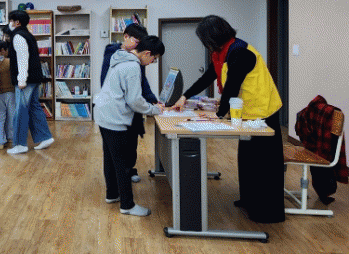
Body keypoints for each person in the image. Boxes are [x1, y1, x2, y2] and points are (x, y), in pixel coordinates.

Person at [171, 15, 285, 223]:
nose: (204, 44)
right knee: (248, 159)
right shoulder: (221, 53)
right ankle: (249, 200)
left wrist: (218, 115)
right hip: (246, 112)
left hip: (263, 110)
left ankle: (266, 212)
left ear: (213, 36)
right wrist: (184, 96)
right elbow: (207, 78)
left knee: (263, 163)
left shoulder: (240, 52)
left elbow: (232, 86)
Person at [94, 36, 165, 217]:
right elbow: (134, 101)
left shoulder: (120, 57)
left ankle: (112, 194)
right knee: (123, 164)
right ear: (147, 53)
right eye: (154, 58)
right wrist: (154, 109)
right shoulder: (133, 66)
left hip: (103, 114)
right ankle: (127, 205)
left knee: (110, 159)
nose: (152, 62)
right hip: (114, 118)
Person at [100, 23, 159, 183]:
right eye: (137, 42)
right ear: (126, 36)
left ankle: (129, 169)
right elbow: (105, 80)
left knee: (132, 142)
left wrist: (152, 99)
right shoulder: (113, 54)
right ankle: (119, 177)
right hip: (118, 108)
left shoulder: (137, 58)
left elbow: (142, 81)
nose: (138, 46)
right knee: (117, 147)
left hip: (133, 106)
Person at [6, 10, 54, 154]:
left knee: (20, 111)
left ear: (17, 22)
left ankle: (20, 144)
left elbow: (22, 59)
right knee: (34, 107)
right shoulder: (28, 35)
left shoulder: (18, 36)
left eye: (11, 20)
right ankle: (45, 137)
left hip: (25, 80)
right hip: (34, 78)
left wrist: (21, 79)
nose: (10, 23)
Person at [0, 40, 15, 149]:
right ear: (2, 50)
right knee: (11, 116)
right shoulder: (10, 62)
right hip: (11, 92)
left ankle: (0, 141)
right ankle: (11, 137)